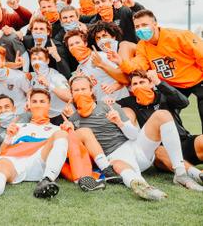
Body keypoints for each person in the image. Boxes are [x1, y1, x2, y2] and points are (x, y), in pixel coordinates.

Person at [66, 75, 202, 200]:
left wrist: (119, 122)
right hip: (114, 157)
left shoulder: (108, 105)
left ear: (91, 90)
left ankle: (180, 174)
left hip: (136, 148)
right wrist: (68, 128)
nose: (80, 93)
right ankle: (142, 186)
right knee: (117, 165)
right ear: (71, 93)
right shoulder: (72, 119)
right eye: (76, 90)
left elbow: (133, 135)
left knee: (163, 115)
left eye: (83, 89)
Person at [0, 89, 69, 205]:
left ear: (49, 105)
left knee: (62, 134)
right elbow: (2, 153)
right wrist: (8, 137)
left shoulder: (57, 128)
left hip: (40, 162)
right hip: (17, 162)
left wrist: (70, 130)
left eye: (42, 101)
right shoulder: (18, 126)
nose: (38, 104)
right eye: (34, 101)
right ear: (29, 105)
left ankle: (47, 181)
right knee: (2, 163)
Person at [115, 9, 203, 131]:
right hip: (173, 85)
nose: (140, 29)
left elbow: (201, 55)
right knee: (166, 113)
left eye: (144, 25)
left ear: (155, 24)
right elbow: (139, 65)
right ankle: (182, 140)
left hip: (198, 80)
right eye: (137, 26)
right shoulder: (142, 45)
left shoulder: (179, 36)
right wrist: (121, 62)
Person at [117, 70, 203, 184]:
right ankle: (197, 175)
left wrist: (159, 82)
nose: (138, 86)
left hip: (183, 141)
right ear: (131, 89)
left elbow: (184, 102)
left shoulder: (163, 96)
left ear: (151, 84)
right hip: (161, 152)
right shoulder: (129, 102)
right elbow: (105, 107)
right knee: (158, 150)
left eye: (142, 82)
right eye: (135, 84)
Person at [64, 29, 129, 101]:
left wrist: (102, 65)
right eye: (71, 45)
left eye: (77, 43)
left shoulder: (102, 56)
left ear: (85, 43)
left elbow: (125, 78)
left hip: (121, 101)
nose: (75, 46)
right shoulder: (79, 69)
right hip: (103, 107)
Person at [28, 47, 71, 125]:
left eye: (40, 58)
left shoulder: (56, 76)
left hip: (61, 115)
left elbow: (69, 97)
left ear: (47, 61)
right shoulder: (33, 77)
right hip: (43, 117)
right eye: (34, 59)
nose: (37, 62)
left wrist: (49, 85)